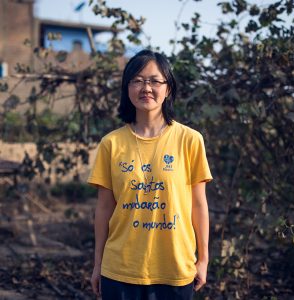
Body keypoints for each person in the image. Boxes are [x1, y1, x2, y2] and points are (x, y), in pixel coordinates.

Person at [87, 49, 213, 300]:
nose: (146, 87)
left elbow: (198, 204)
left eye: (155, 80)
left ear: (168, 88)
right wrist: (98, 263)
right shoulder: (111, 144)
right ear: (127, 88)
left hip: (175, 269)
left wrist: (204, 259)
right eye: (137, 80)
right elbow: (104, 209)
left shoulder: (190, 140)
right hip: (120, 270)